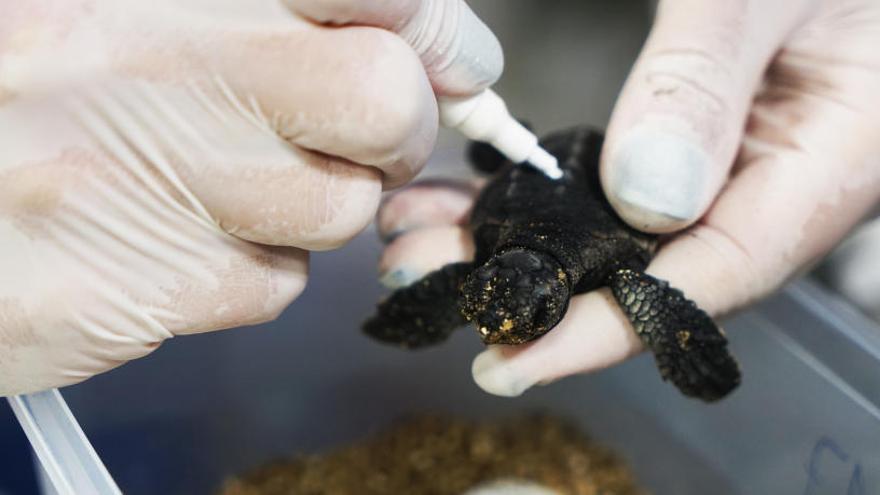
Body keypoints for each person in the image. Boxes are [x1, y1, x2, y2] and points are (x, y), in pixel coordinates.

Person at [0, 0, 877, 399]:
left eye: (509, 314)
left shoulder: (596, 261)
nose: (495, 318)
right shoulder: (503, 249)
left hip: (611, 150)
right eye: (496, 307)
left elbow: (647, 291)